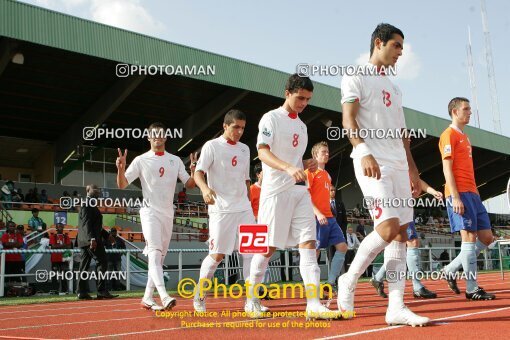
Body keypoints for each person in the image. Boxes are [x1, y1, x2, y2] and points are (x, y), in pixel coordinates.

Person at [337, 23, 429, 326]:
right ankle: (348, 280)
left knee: (401, 235)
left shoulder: (394, 86)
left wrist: (414, 172)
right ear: (379, 43)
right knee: (388, 229)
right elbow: (348, 119)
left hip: (400, 166)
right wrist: (362, 150)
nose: (401, 52)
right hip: (373, 162)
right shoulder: (355, 75)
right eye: (397, 46)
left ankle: (396, 306)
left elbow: (403, 134)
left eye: (402, 47)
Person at [248, 74, 336, 319]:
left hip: (299, 191)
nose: (303, 104)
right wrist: (287, 167)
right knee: (267, 248)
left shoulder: (302, 126)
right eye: (300, 98)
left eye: (307, 100)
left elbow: (298, 161)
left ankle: (313, 303)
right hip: (275, 192)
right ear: (287, 92)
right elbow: (263, 153)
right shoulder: (271, 118)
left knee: (309, 245)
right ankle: (251, 298)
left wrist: (309, 163)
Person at [116, 122, 196, 310]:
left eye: (161, 134)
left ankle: (147, 297)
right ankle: (163, 295)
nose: (158, 137)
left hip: (168, 213)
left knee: (159, 258)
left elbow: (190, 184)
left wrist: (194, 170)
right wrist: (120, 168)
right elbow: (122, 184)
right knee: (154, 251)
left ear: (166, 137)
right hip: (149, 210)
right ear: (148, 137)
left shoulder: (175, 160)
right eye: (154, 134)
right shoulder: (141, 160)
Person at [192, 109, 265, 312]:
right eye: (235, 127)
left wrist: (250, 205)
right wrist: (205, 189)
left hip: (244, 209)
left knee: (252, 253)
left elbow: (246, 179)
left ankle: (252, 301)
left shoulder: (244, 149)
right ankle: (200, 295)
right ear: (225, 126)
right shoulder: (211, 146)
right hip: (221, 210)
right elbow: (198, 173)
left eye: (242, 128)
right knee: (217, 256)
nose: (239, 132)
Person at [439, 97, 495, 300]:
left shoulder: (466, 137)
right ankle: (472, 288)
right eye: (466, 109)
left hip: (473, 193)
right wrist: (455, 197)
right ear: (455, 111)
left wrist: (477, 195)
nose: (470, 112)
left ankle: (450, 269)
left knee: (487, 238)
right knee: (469, 238)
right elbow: (447, 168)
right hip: (459, 193)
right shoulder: (448, 135)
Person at [371, 180, 442, 299]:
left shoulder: (404, 167)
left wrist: (432, 191)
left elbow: (416, 180)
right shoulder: (394, 165)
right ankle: (417, 286)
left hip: (401, 208)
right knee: (412, 242)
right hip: (397, 208)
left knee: (398, 249)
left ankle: (377, 278)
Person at [305, 141, 347, 291]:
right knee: (314, 251)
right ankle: (312, 286)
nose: (327, 154)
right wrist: (317, 212)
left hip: (330, 217)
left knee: (342, 247)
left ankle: (329, 283)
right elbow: (305, 195)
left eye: (328, 152)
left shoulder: (327, 175)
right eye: (323, 152)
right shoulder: (310, 172)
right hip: (317, 217)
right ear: (315, 155)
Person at [76, 184, 117, 300]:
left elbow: (95, 226)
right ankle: (101, 291)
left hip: (85, 240)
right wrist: (92, 239)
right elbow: (86, 223)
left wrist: (107, 235)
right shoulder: (87, 203)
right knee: (103, 261)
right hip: (91, 241)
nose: (98, 191)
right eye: (95, 189)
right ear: (88, 190)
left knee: (84, 267)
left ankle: (82, 292)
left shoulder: (91, 204)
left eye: (99, 189)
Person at [49, 223, 72, 294]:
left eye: (61, 227)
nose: (60, 228)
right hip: (55, 259)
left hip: (64, 258)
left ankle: (64, 290)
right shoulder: (53, 236)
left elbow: (69, 247)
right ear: (56, 228)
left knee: (64, 275)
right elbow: (53, 246)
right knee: (54, 276)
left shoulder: (66, 237)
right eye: (59, 227)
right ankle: (55, 290)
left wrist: (59, 246)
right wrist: (63, 245)